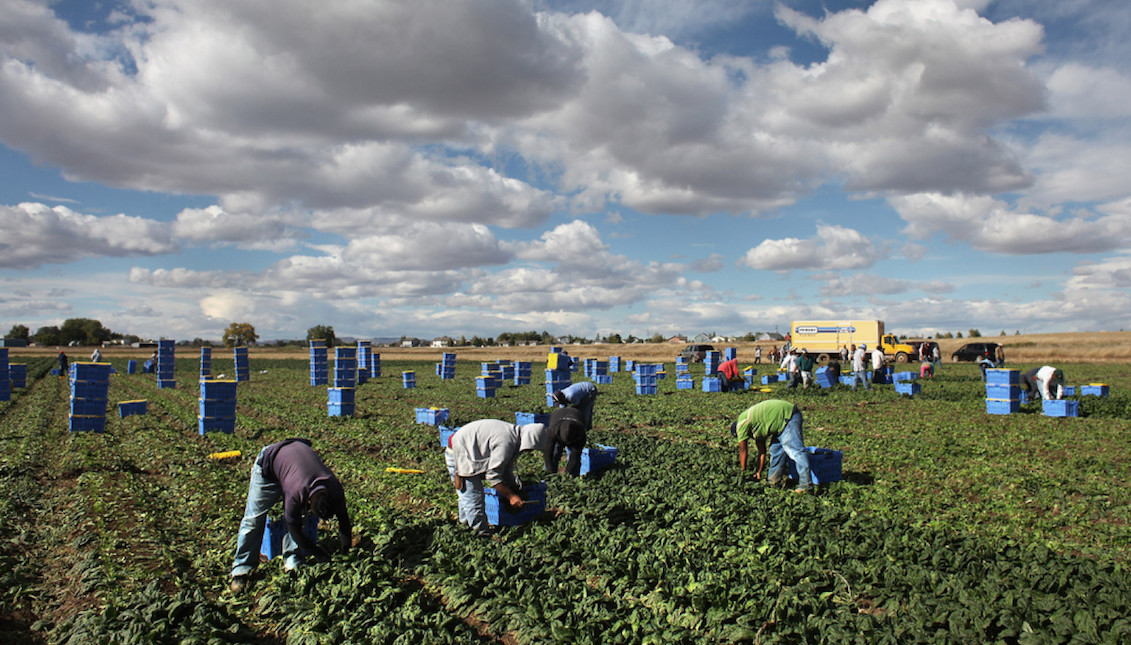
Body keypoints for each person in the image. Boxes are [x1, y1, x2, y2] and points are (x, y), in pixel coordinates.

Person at [230, 438, 352, 593]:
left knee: (302, 517)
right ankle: (241, 569)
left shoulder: (334, 488)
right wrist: (319, 554)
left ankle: (293, 562)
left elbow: (344, 522)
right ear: (308, 502)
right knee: (254, 519)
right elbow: (293, 528)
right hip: (268, 468)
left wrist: (346, 553)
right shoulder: (296, 492)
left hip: (293, 465)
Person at [445, 420, 550, 534]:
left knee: (467, 497)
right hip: (461, 453)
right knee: (473, 498)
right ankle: (480, 536)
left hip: (469, 449)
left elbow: (505, 469)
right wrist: (511, 496)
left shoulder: (515, 436)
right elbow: (493, 476)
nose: (529, 451)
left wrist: (514, 487)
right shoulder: (507, 442)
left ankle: (465, 528)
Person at [729, 399, 811, 493]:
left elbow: (743, 450)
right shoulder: (756, 428)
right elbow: (762, 452)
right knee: (775, 450)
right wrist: (758, 472)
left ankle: (806, 485)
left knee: (795, 451)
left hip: (788, 416)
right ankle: (773, 483)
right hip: (779, 423)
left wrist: (742, 472)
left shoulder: (741, 425)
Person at [544, 406, 587, 476]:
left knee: (576, 461)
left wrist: (567, 475)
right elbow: (548, 454)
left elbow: (574, 457)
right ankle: (548, 475)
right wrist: (551, 473)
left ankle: (573, 477)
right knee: (555, 452)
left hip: (577, 415)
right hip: (557, 415)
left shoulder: (581, 434)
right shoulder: (552, 431)